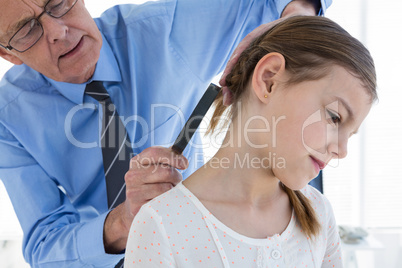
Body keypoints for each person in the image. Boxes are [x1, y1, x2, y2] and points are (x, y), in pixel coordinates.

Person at [0, 0, 330, 267]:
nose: (58, 31)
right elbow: (44, 246)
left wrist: (294, 21)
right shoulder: (9, 117)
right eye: (26, 30)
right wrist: (123, 222)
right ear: (8, 53)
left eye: (59, 2)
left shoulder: (164, 31)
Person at [124, 15, 377, 267]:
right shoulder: (161, 225)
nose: (342, 150)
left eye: (350, 134)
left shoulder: (320, 214)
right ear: (269, 80)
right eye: (334, 117)